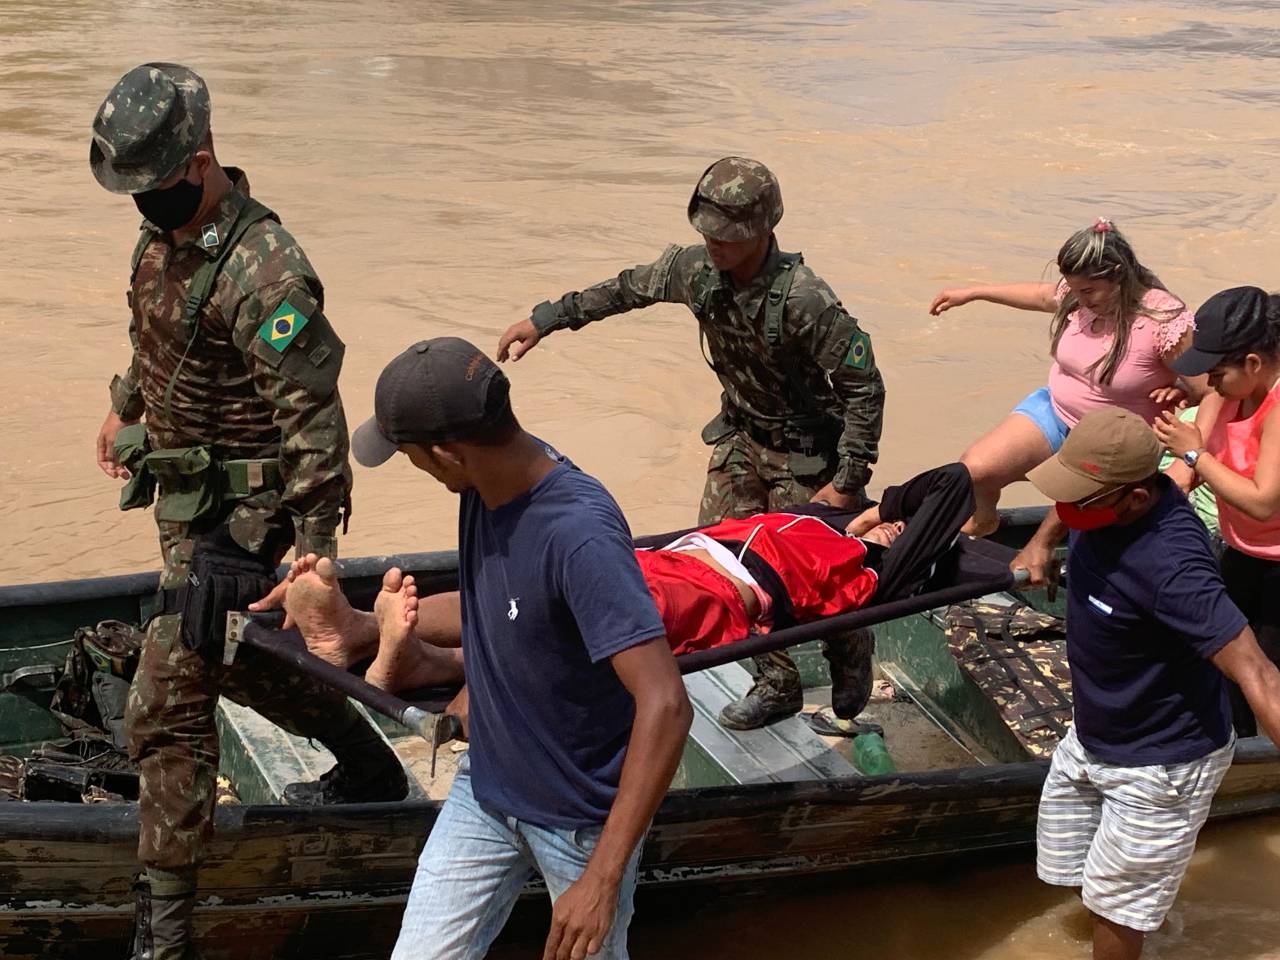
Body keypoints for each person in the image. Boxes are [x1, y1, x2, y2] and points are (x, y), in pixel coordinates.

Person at [88, 63, 405, 959]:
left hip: (250, 521)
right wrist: (126, 404)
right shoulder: (161, 243)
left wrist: (313, 551)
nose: (144, 202)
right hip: (187, 505)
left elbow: (314, 423)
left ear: (201, 157)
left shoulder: (268, 272)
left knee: (168, 693)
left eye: (155, 185)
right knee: (235, 661)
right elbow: (154, 332)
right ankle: (371, 761)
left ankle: (166, 930)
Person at [496, 156, 886, 731]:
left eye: (726, 236)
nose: (714, 244)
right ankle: (776, 683)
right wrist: (548, 319)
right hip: (739, 439)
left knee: (816, 574)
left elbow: (864, 389)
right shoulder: (694, 270)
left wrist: (847, 482)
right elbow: (626, 289)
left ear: (762, 230)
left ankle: (850, 654)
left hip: (806, 457)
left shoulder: (804, 300)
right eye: (707, 232)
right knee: (716, 561)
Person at [347, 336, 692, 960]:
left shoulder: (578, 536)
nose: (416, 470)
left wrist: (602, 879)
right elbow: (497, 602)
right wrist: (360, 626)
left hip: (579, 820)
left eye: (410, 457)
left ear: (447, 454)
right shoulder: (485, 485)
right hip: (488, 787)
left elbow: (666, 703)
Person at [270, 464, 973, 712]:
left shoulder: (873, 571)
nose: (888, 534)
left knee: (573, 623)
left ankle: (424, 661)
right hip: (670, 560)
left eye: (902, 536)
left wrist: (890, 522)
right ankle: (363, 630)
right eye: (891, 529)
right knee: (539, 583)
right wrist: (876, 509)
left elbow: (956, 484)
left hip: (714, 597)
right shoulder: (830, 518)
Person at [1025, 407, 1280, 960]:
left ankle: (1135, 924)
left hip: (1164, 761)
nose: (1067, 507)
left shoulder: (1173, 568)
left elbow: (1259, 672)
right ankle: (1156, 925)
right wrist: (1041, 540)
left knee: (1117, 908)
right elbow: (1072, 502)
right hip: (1095, 732)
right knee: (1071, 870)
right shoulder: (1106, 500)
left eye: (1078, 500)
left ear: (1135, 500)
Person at [930, 218, 1200, 539]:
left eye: (1088, 291)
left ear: (1117, 275)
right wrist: (974, 293)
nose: (1079, 299)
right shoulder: (1079, 296)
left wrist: (1186, 419)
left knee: (1091, 525)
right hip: (1057, 414)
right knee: (975, 471)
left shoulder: (1163, 319)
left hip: (1117, 445)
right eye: (1072, 289)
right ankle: (984, 522)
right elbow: (1042, 296)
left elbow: (1214, 393)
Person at [1155, 286, 1280, 736]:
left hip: (1276, 561)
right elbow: (1182, 475)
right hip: (1242, 550)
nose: (1208, 383)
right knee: (1221, 666)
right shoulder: (1226, 392)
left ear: (1252, 364)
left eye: (1217, 372)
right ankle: (1238, 751)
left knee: (1263, 673)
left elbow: (1264, 501)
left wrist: (1196, 456)